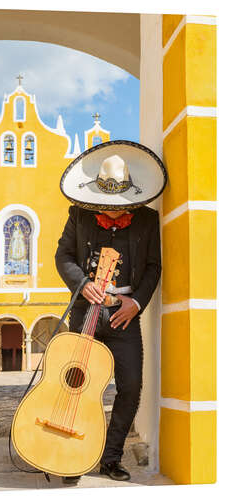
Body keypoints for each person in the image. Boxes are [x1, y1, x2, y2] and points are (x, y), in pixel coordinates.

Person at [54, 142, 167, 485]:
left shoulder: (148, 219)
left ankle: (110, 458)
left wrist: (137, 303)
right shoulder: (78, 215)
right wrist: (82, 283)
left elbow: (152, 267)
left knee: (131, 385)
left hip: (124, 316)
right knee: (75, 383)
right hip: (86, 310)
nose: (114, 210)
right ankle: (69, 456)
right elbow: (63, 257)